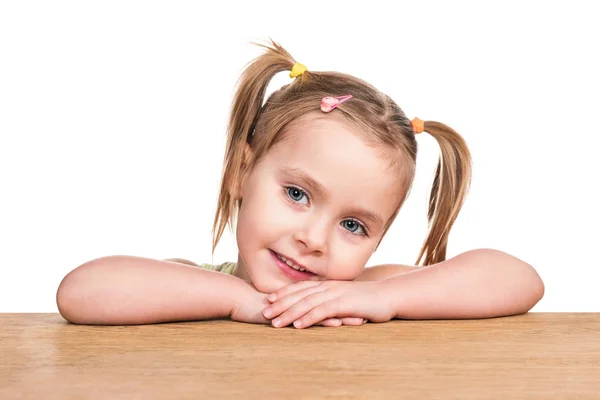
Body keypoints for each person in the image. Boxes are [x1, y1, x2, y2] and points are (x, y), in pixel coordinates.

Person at [56, 40, 544, 329]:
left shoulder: (368, 291)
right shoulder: (196, 284)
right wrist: (238, 301)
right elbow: (81, 291)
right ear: (239, 174)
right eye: (297, 194)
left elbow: (519, 279)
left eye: (354, 225)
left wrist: (384, 300)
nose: (314, 239)